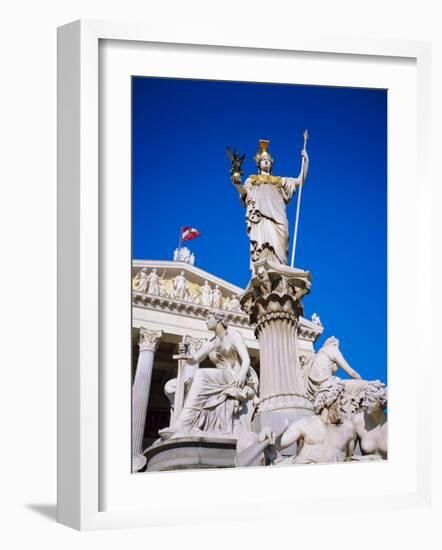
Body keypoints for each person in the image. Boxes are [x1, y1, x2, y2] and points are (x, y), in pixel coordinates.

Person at [171, 311, 259, 436]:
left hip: (234, 377)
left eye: (208, 318)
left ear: (218, 320)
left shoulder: (234, 335)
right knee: (173, 385)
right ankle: (186, 422)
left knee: (201, 374)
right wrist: (185, 354)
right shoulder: (211, 342)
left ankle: (183, 424)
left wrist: (242, 374)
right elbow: (195, 359)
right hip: (221, 377)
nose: (206, 321)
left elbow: (246, 359)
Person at [231, 139, 308, 269]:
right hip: (261, 218)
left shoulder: (279, 181)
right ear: (259, 164)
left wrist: (306, 161)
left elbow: (300, 181)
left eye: (268, 160)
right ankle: (264, 275)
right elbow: (245, 194)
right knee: (263, 248)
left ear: (271, 164)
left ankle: (281, 274)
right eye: (263, 160)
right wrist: (237, 183)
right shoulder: (253, 180)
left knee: (281, 246)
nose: (266, 161)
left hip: (279, 218)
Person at [272, 379, 356, 464]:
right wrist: (267, 431)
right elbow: (278, 445)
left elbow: (348, 459)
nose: (342, 403)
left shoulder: (348, 428)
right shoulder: (306, 423)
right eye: (340, 398)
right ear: (329, 399)